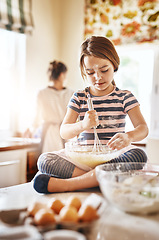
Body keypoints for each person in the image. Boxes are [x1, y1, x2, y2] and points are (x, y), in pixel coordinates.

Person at [33, 36, 148, 194]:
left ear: (114, 65)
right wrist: (83, 125)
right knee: (45, 160)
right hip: (83, 159)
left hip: (112, 158)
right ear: (83, 71)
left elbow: (143, 128)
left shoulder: (125, 96)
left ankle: (70, 184)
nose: (98, 77)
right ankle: (100, 180)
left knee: (138, 155)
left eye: (104, 70)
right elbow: (64, 130)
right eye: (90, 72)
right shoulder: (79, 97)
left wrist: (129, 137)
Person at [24, 60, 74, 153]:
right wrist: (31, 129)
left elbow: (37, 117)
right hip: (53, 135)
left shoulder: (70, 93)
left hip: (64, 134)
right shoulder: (71, 93)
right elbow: (37, 117)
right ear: (62, 75)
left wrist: (31, 128)